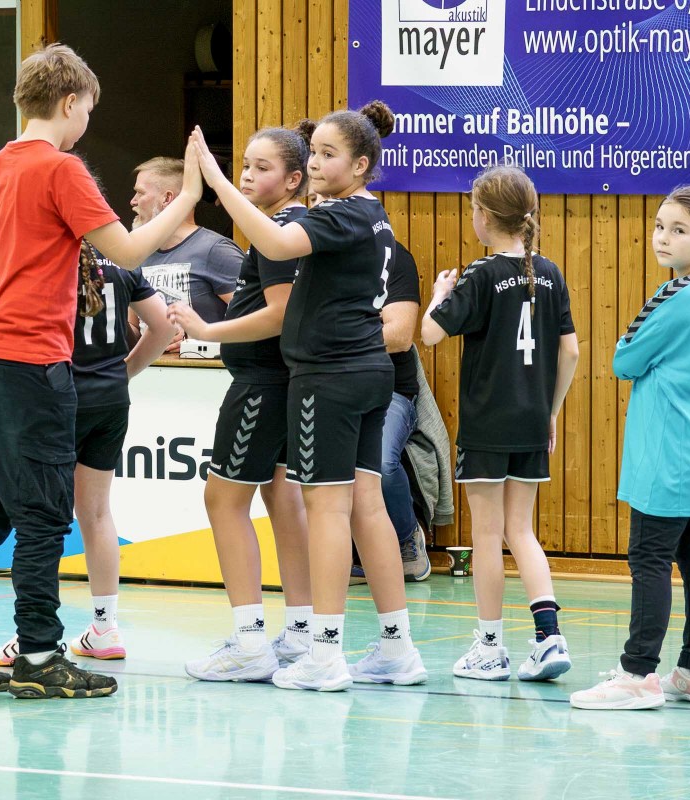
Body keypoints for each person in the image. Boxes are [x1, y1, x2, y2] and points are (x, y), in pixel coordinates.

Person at [0, 43, 203, 698]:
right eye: (87, 109)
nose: (87, 122)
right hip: (29, 357)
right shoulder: (60, 168)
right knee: (42, 514)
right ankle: (40, 654)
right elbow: (127, 250)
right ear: (70, 103)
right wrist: (187, 197)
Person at [187, 101, 426, 692]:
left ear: (361, 164)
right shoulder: (370, 213)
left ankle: (322, 653)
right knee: (364, 506)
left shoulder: (340, 214)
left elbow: (273, 241)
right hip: (366, 372)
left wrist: (214, 181)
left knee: (327, 510)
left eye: (327, 155)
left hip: (329, 376)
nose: (316, 164)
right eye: (313, 152)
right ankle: (396, 647)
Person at [570, 185, 690, 710]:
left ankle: (637, 675)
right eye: (659, 226)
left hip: (673, 448)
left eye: (678, 230)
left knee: (649, 557)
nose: (663, 238)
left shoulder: (683, 296)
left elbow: (624, 360)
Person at [421, 164, 579, 682]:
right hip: (533, 421)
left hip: (488, 424)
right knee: (521, 530)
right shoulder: (550, 272)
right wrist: (550, 412)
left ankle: (490, 648)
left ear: (485, 217)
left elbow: (429, 333)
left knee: (488, 535)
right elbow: (571, 352)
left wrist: (441, 294)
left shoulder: (481, 273)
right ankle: (549, 636)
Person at [167, 126, 314, 681]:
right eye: (244, 166)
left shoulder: (278, 231)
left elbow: (280, 313)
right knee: (283, 498)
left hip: (261, 385)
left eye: (261, 168)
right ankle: (299, 633)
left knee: (223, 501)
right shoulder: (292, 226)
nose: (248, 176)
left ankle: (250, 642)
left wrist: (209, 329)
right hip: (284, 382)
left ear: (294, 179)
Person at [0, 240, 175, 667]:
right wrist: (122, 373)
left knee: (41, 519)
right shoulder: (123, 261)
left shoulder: (47, 258)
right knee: (96, 512)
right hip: (110, 401)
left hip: (60, 400)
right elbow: (164, 327)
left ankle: (32, 634)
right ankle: (105, 627)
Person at [130, 157, 243, 349]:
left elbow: (255, 319)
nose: (133, 201)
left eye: (140, 193)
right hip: (149, 366)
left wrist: (195, 336)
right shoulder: (137, 254)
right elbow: (133, 327)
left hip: (203, 366)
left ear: (167, 198)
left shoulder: (216, 250)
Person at [379, 242, 430, 582]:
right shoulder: (310, 253)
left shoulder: (394, 257)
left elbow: (398, 336)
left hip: (392, 389)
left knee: (379, 464)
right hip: (329, 386)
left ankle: (406, 536)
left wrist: (334, 337)